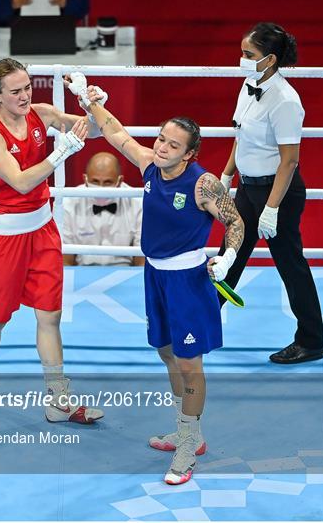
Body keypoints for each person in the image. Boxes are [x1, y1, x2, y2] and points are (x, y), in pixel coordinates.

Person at [66, 72, 244, 485]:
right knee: (166, 352)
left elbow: (235, 222)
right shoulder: (149, 165)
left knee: (188, 364)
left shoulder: (203, 184)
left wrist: (228, 256)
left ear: (189, 153)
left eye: (172, 144)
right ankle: (189, 431)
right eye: (161, 138)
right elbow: (115, 133)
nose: (161, 147)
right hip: (155, 278)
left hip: (188, 283)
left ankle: (187, 442)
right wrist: (87, 98)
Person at [0, 58, 103, 425]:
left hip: (42, 230)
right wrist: (62, 151)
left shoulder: (40, 113)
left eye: (27, 87)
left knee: (50, 316)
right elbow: (22, 181)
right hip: (5, 238)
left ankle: (59, 400)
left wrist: (91, 103)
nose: (25, 96)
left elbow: (92, 130)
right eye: (15, 91)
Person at [219, 22, 323, 364]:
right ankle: (200, 320)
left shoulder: (286, 100)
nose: (242, 59)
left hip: (277, 191)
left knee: (290, 264)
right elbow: (241, 136)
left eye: (249, 54)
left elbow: (290, 160)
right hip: (248, 188)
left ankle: (310, 340)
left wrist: (272, 208)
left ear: (270, 59)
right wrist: (226, 174)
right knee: (229, 255)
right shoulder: (249, 84)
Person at [63, 151, 144, 267]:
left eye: (107, 182)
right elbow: (64, 258)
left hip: (125, 273)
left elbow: (142, 258)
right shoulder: (69, 202)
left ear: (119, 181)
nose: (101, 188)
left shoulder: (137, 203)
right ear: (85, 179)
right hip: (82, 272)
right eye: (95, 181)